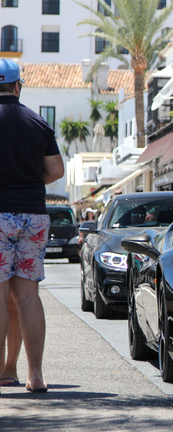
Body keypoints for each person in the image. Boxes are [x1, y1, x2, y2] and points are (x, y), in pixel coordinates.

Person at [0, 59, 65, 393]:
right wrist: (28, 180)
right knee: (28, 296)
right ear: (17, 86)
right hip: (32, 215)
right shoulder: (37, 121)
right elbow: (55, 170)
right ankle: (35, 375)